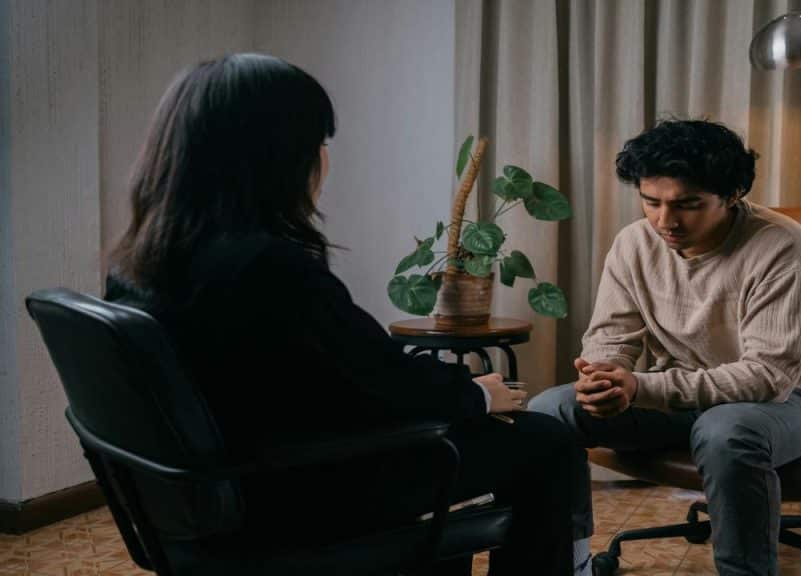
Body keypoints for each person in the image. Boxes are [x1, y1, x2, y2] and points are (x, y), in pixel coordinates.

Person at [104, 53, 575, 575]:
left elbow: (334, 375)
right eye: (319, 145)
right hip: (296, 494)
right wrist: (476, 393)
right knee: (544, 442)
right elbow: (381, 381)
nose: (325, 160)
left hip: (208, 498)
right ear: (276, 158)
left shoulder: (137, 267)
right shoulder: (271, 268)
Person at [529, 119, 801, 576]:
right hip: (681, 396)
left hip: (792, 399)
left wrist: (640, 387)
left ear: (732, 195)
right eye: (651, 202)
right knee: (551, 410)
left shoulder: (782, 247)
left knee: (727, 430)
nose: (665, 221)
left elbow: (767, 377)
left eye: (687, 205)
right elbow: (612, 333)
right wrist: (603, 376)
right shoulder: (633, 243)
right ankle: (569, 564)